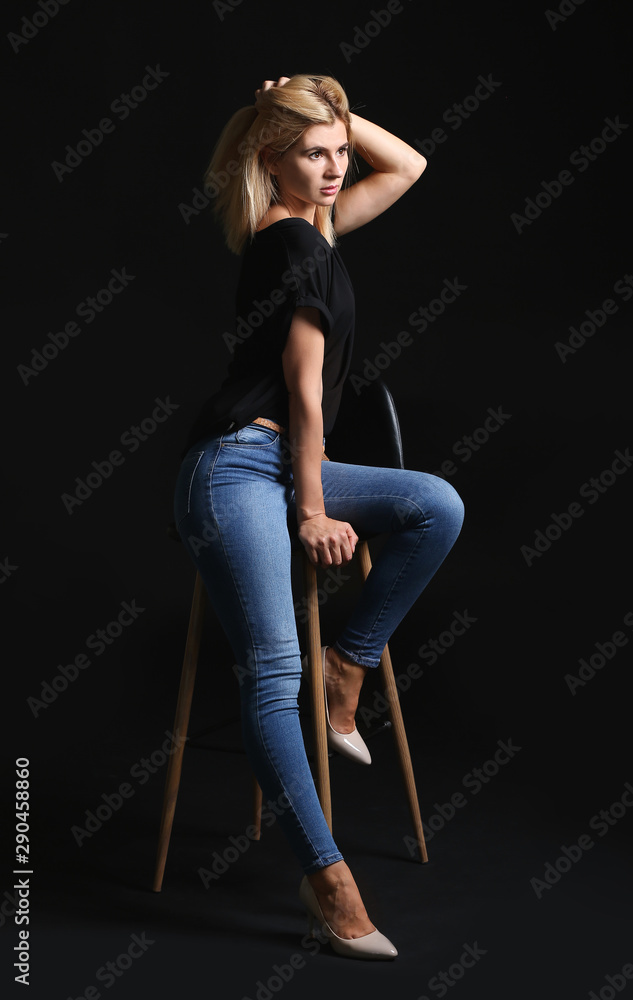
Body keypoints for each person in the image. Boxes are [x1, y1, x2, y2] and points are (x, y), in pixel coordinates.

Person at [173, 74, 464, 960]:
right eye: (314, 153)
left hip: (294, 459)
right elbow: (302, 390)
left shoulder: (319, 225)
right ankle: (326, 876)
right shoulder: (292, 244)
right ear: (273, 159)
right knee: (269, 673)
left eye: (339, 152)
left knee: (433, 506)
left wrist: (325, 112)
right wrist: (310, 508)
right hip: (234, 469)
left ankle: (348, 666)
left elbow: (407, 165)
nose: (336, 168)